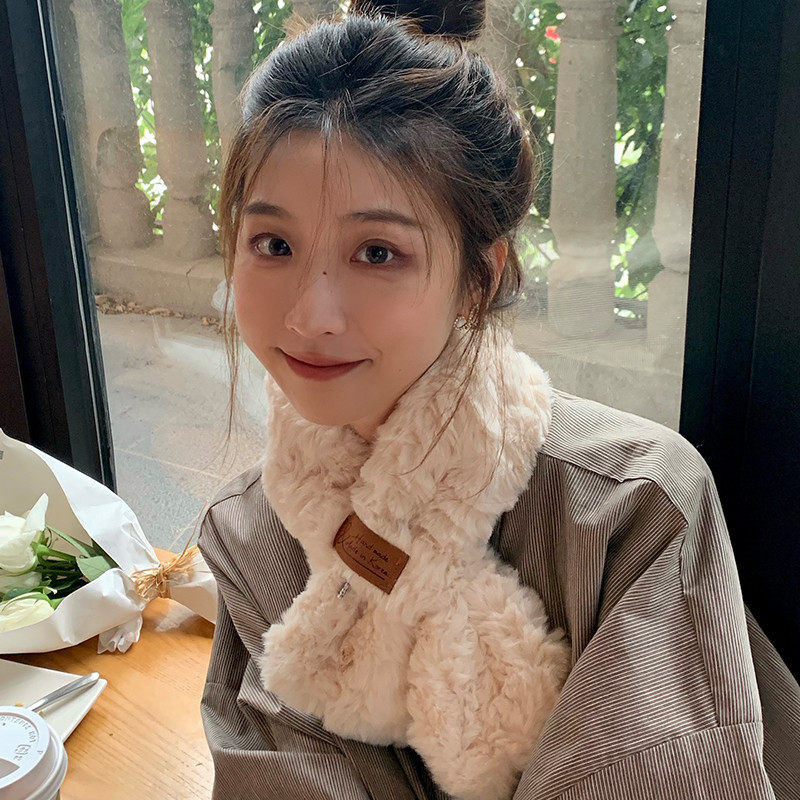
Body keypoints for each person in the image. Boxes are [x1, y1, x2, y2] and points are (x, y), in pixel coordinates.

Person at [196, 1, 800, 798]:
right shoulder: (249, 531)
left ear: (480, 279)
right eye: (273, 244)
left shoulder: (635, 507)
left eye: (377, 252)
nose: (311, 316)